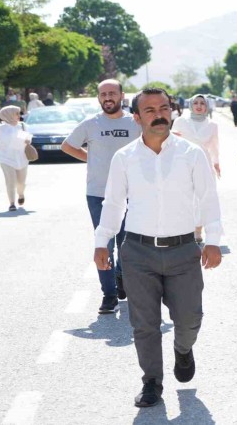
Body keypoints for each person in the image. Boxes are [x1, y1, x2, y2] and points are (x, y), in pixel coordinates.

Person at [94, 87, 222, 408]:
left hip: (183, 250)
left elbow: (208, 198)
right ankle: (151, 381)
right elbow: (113, 204)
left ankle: (183, 348)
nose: (159, 115)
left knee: (190, 318)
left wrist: (214, 241)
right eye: (149, 110)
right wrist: (101, 242)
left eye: (163, 108)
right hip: (138, 252)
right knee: (144, 324)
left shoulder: (192, 153)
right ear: (137, 118)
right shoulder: (124, 158)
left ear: (172, 111)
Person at [62, 79, 141, 313]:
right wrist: (92, 158)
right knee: (104, 244)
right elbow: (67, 146)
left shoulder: (135, 122)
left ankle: (121, 275)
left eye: (112, 93)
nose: (108, 98)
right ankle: (109, 295)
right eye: (103, 94)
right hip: (98, 194)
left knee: (127, 244)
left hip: (132, 193)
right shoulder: (90, 124)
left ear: (121, 96)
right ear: (98, 98)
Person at [172, 94, 221, 243]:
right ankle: (185, 229)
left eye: (202, 103)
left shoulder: (212, 125)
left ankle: (198, 229)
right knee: (185, 196)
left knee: (202, 197)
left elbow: (214, 147)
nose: (199, 106)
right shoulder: (180, 121)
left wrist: (216, 163)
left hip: (204, 163)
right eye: (196, 103)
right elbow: (172, 142)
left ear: (207, 106)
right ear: (191, 105)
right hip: (183, 163)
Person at [0, 105, 31, 211]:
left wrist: (28, 140)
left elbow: (28, 138)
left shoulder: (23, 126)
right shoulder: (0, 129)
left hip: (22, 158)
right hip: (6, 158)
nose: (19, 115)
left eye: (19, 113)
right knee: (10, 181)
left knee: (21, 182)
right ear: (9, 115)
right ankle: (12, 203)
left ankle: (21, 194)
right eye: (16, 113)